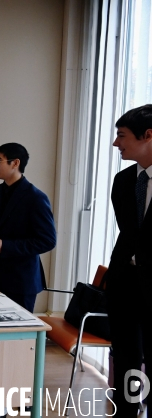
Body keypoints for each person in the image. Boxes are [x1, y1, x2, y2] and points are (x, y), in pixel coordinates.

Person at [105, 104, 152, 417]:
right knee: (124, 358)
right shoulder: (123, 182)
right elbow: (129, 234)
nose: (115, 143)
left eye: (121, 136)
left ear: (148, 136)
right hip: (124, 284)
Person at [0, 143, 56, 312]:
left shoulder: (36, 197)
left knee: (18, 335)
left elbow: (47, 241)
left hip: (21, 281)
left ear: (15, 163)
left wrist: (6, 246)